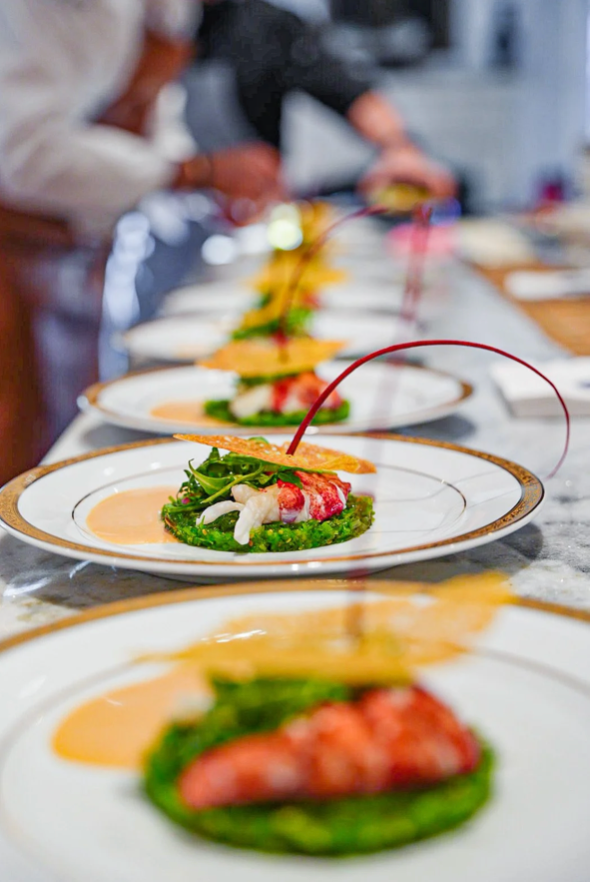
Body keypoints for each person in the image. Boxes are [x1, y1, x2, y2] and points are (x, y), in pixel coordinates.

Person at [0, 0, 284, 484]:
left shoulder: (168, 11)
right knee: (18, 445)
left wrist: (204, 187)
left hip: (81, 248)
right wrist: (192, 172)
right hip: (15, 251)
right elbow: (23, 154)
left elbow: (156, 118)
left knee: (67, 436)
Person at [195, 0, 456, 200]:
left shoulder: (264, 26)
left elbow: (346, 90)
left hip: (247, 212)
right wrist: (201, 171)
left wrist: (399, 148)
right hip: (161, 209)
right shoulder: (159, 26)